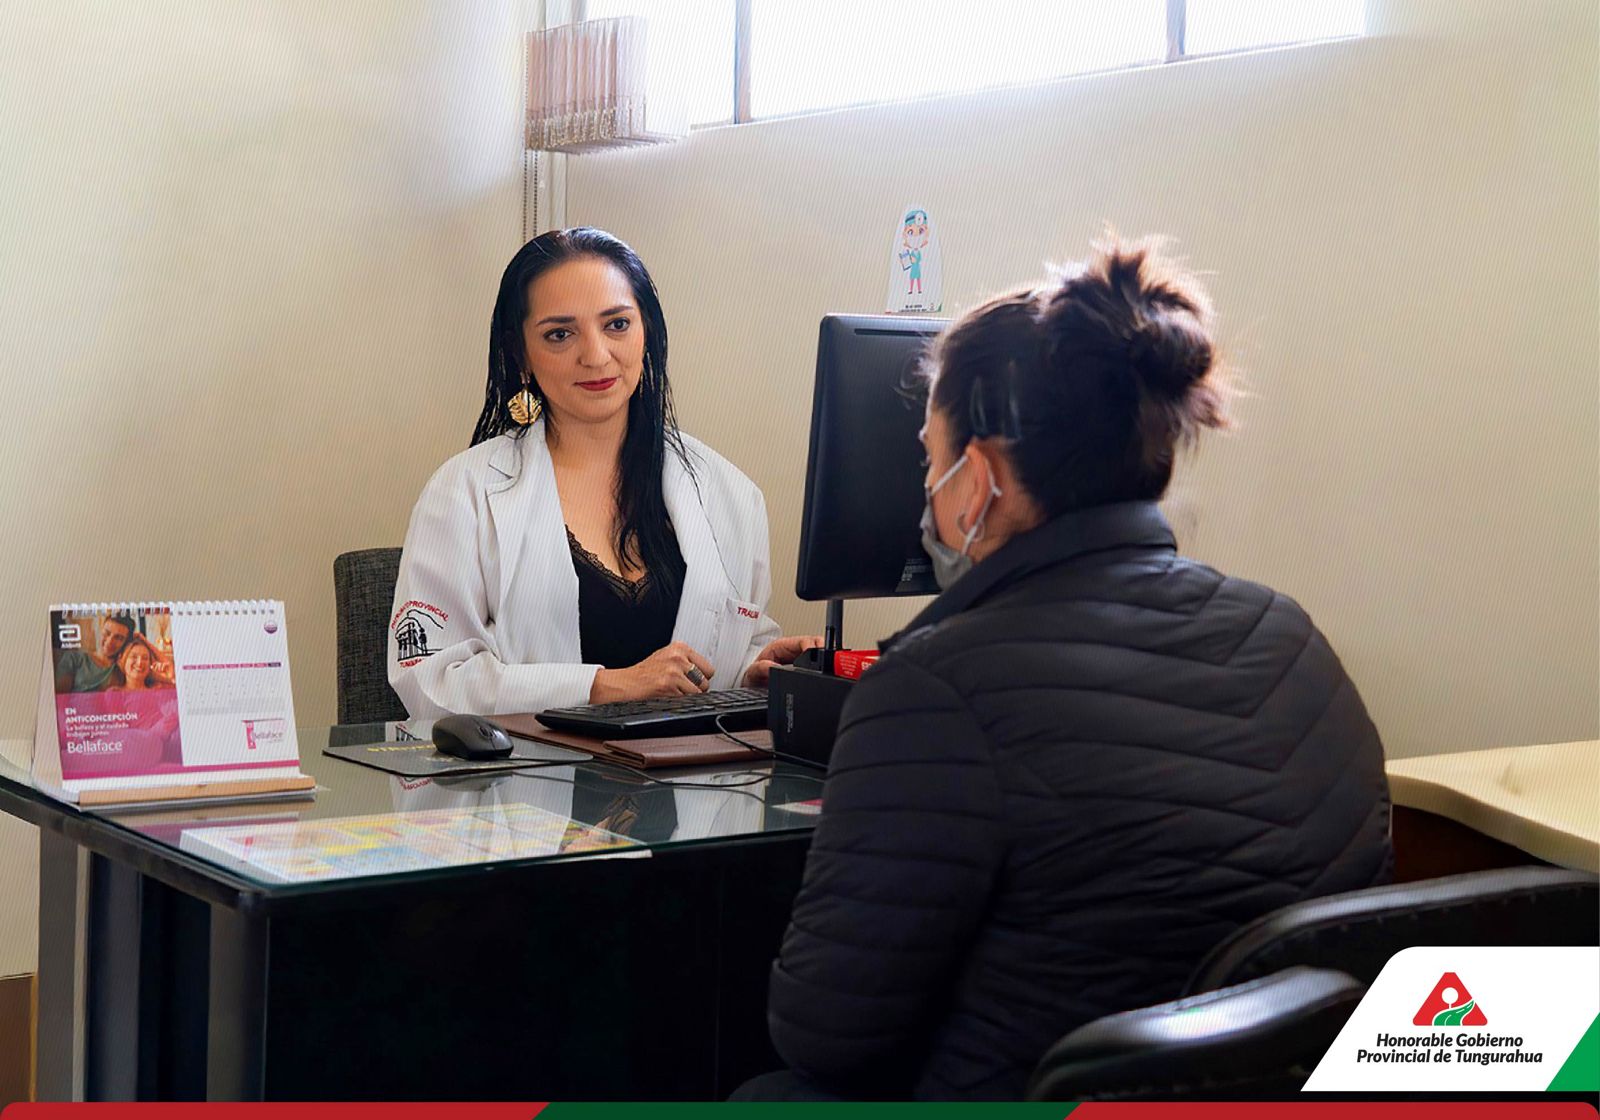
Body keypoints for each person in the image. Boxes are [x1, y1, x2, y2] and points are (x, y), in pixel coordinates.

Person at [757, 236, 1393, 1101]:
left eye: (929, 457)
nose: (927, 487)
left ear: (978, 477)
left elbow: (824, 1034)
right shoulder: (1290, 638)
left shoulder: (933, 689)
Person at [390, 227, 819, 719]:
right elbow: (430, 681)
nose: (595, 355)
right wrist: (603, 686)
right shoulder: (462, 493)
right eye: (559, 334)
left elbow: (726, 645)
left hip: (693, 766)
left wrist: (750, 672)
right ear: (520, 353)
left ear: (646, 332)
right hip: (530, 768)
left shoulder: (730, 493)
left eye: (617, 324)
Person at [53, 614, 134, 693]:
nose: (109, 641)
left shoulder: (124, 668)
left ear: (126, 642)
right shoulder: (74, 658)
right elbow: (60, 697)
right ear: (101, 631)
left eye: (118, 638)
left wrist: (137, 641)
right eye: (107, 633)